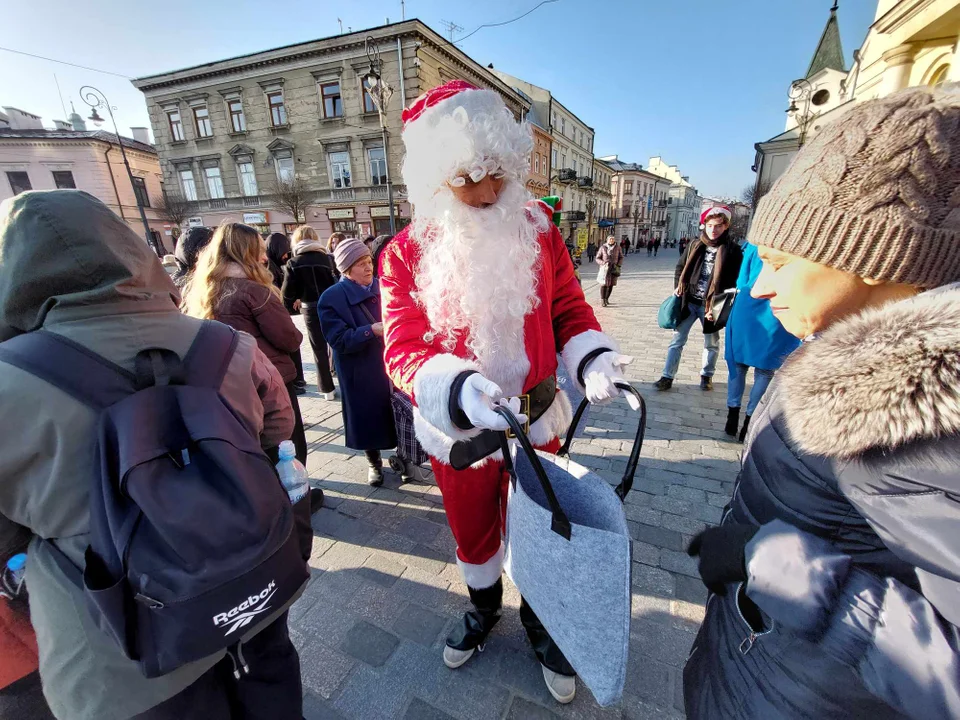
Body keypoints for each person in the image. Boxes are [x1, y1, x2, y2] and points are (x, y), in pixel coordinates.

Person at [684, 86, 960, 720]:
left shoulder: (923, 417)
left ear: (873, 255)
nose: (759, 286)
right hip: (762, 675)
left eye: (780, 262)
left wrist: (780, 570)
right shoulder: (837, 343)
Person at [0, 191, 302, 719]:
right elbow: (278, 425)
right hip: (249, 591)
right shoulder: (225, 345)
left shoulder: (10, 380)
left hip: (120, 650)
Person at [379, 80, 632, 704]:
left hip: (538, 419)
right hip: (461, 431)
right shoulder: (404, 254)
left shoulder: (540, 230)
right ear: (438, 181)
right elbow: (403, 347)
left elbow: (570, 307)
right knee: (472, 531)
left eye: (496, 172)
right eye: (467, 178)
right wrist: (456, 388)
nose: (487, 192)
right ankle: (484, 607)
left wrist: (592, 355)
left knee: (547, 528)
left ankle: (543, 623)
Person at [182, 223, 309, 470]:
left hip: (224, 384)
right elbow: (290, 339)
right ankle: (293, 501)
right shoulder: (255, 291)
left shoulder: (205, 289)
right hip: (268, 382)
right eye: (258, 251)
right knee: (285, 446)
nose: (264, 257)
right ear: (245, 254)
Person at [318, 239, 397, 487]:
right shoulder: (331, 298)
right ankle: (374, 463)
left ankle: (405, 458)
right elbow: (338, 339)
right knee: (366, 418)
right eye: (360, 264)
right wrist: (370, 330)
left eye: (369, 261)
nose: (368, 267)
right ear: (346, 268)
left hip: (390, 365)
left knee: (398, 413)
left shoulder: (385, 287)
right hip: (359, 369)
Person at [653, 206, 743, 391]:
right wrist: (678, 286)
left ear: (725, 226)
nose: (713, 229)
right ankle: (667, 376)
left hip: (711, 306)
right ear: (705, 225)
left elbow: (736, 281)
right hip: (690, 300)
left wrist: (720, 306)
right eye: (709, 225)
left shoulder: (732, 250)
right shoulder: (696, 244)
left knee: (711, 343)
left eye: (718, 226)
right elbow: (680, 267)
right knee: (677, 340)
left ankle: (706, 375)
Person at [723, 241, 800, 441]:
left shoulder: (753, 245)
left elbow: (741, 281)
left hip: (747, 305)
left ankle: (732, 415)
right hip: (775, 308)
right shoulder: (793, 246)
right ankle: (750, 419)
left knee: (737, 365)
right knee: (764, 371)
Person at [283, 225, 338, 399]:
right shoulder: (328, 258)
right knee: (337, 343)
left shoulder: (293, 262)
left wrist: (297, 298)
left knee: (318, 349)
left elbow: (287, 294)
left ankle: (327, 389)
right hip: (332, 305)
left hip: (310, 308)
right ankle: (344, 379)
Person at [266, 232, 307, 395]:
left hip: (282, 313)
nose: (286, 255)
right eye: (284, 251)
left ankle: (298, 380)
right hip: (278, 316)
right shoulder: (270, 267)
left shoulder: (277, 265)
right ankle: (297, 381)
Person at [596, 235, 623, 307]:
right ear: (607, 240)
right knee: (603, 284)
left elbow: (621, 257)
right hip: (604, 269)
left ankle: (607, 298)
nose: (611, 240)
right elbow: (597, 258)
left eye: (613, 239)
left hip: (614, 268)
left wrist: (618, 265)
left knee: (611, 284)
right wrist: (603, 263)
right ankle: (602, 300)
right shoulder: (603, 247)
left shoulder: (618, 247)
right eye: (610, 239)